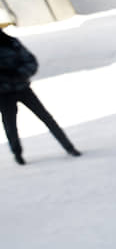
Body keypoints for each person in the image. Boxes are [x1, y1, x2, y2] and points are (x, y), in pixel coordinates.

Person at [0, 27, 81, 165]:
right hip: (4, 94)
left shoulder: (11, 43)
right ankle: (17, 154)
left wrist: (19, 73)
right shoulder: (11, 43)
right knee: (10, 125)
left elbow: (31, 62)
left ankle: (69, 146)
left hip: (22, 88)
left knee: (46, 118)